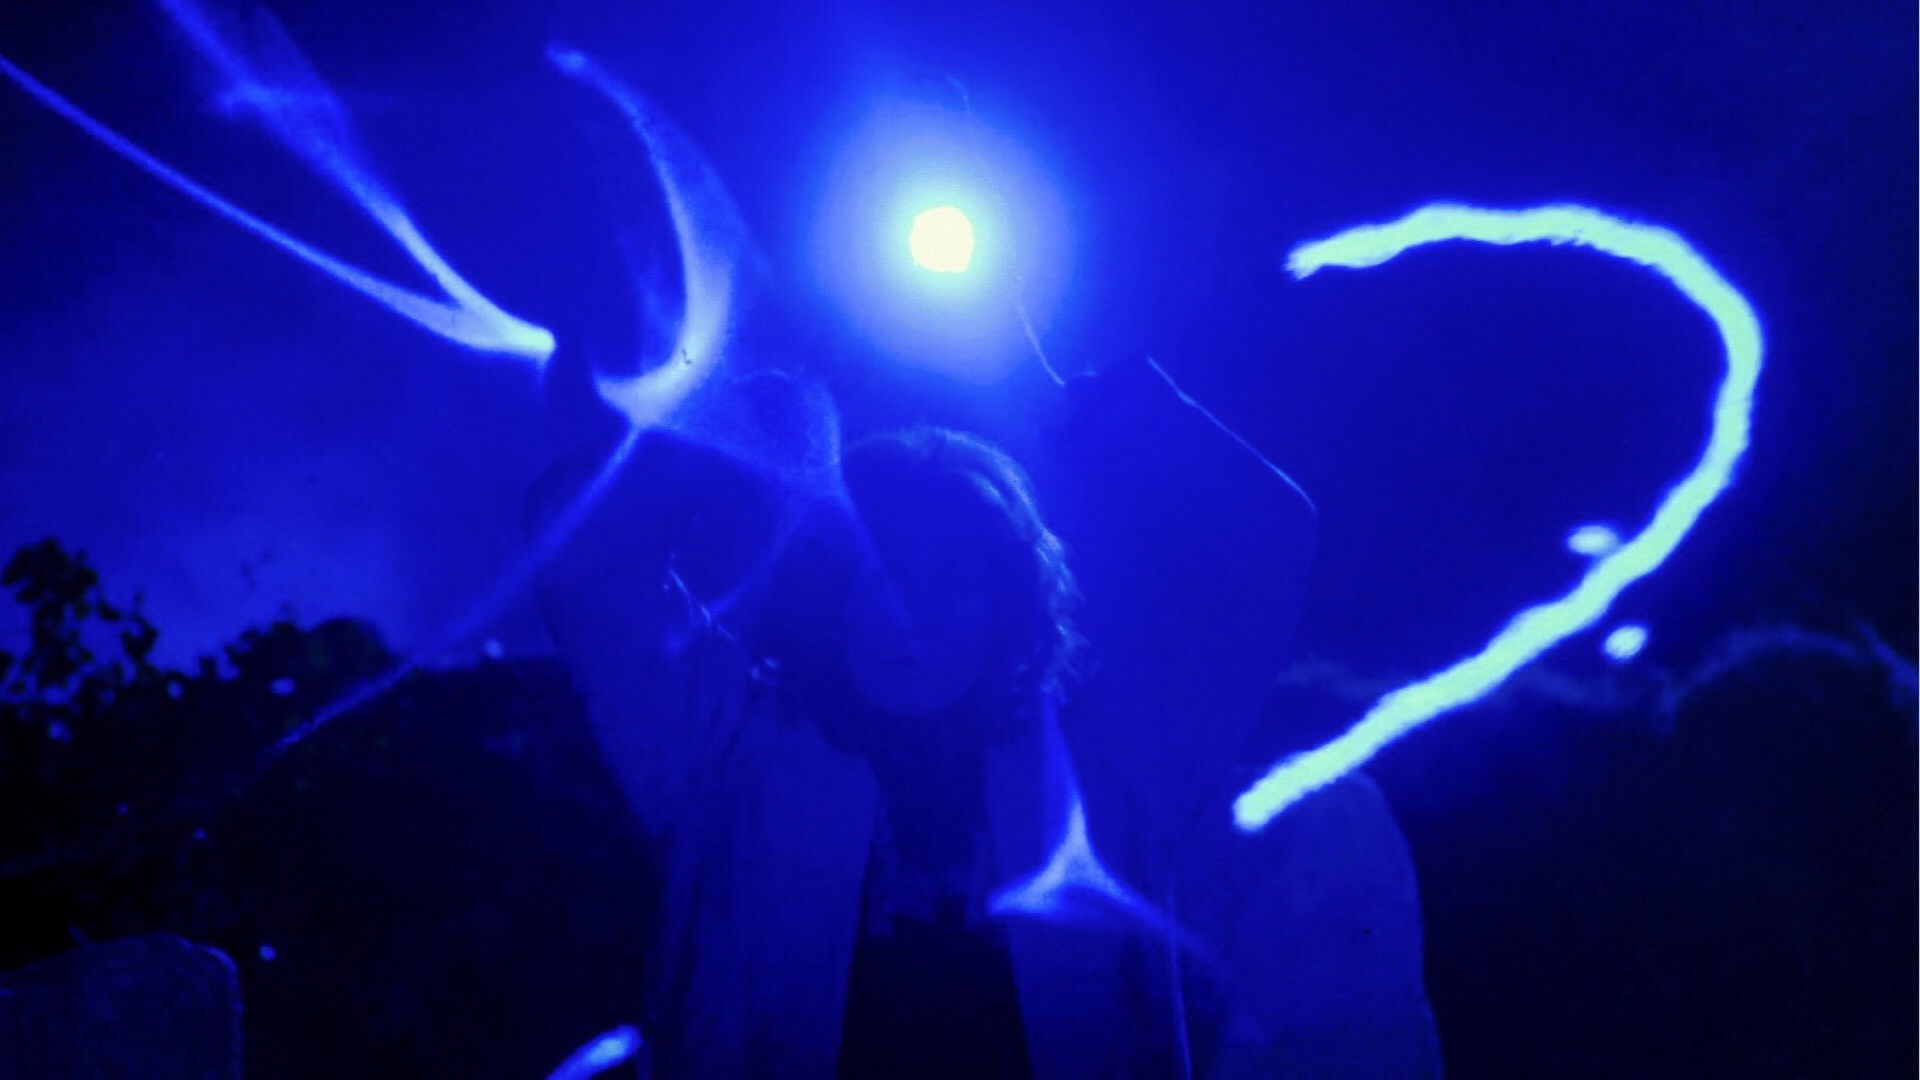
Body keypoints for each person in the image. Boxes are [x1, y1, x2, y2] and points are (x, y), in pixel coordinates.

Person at [528, 362, 1439, 1078]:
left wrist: (1128, 411)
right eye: (878, 571)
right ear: (826, 594)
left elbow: (1266, 541)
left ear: (1009, 603)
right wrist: (727, 433)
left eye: (956, 577)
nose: (913, 613)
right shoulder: (723, 748)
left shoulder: (1112, 762)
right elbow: (578, 541)